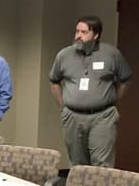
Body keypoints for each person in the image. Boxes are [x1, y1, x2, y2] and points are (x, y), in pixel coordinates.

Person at [49, 15, 132, 167]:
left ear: (96, 35)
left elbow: (125, 80)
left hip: (103, 116)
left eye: (84, 32)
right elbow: (54, 82)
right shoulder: (64, 55)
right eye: (77, 31)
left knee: (102, 164)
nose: (78, 36)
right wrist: (63, 107)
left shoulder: (112, 55)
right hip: (72, 116)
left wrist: (112, 101)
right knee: (77, 164)